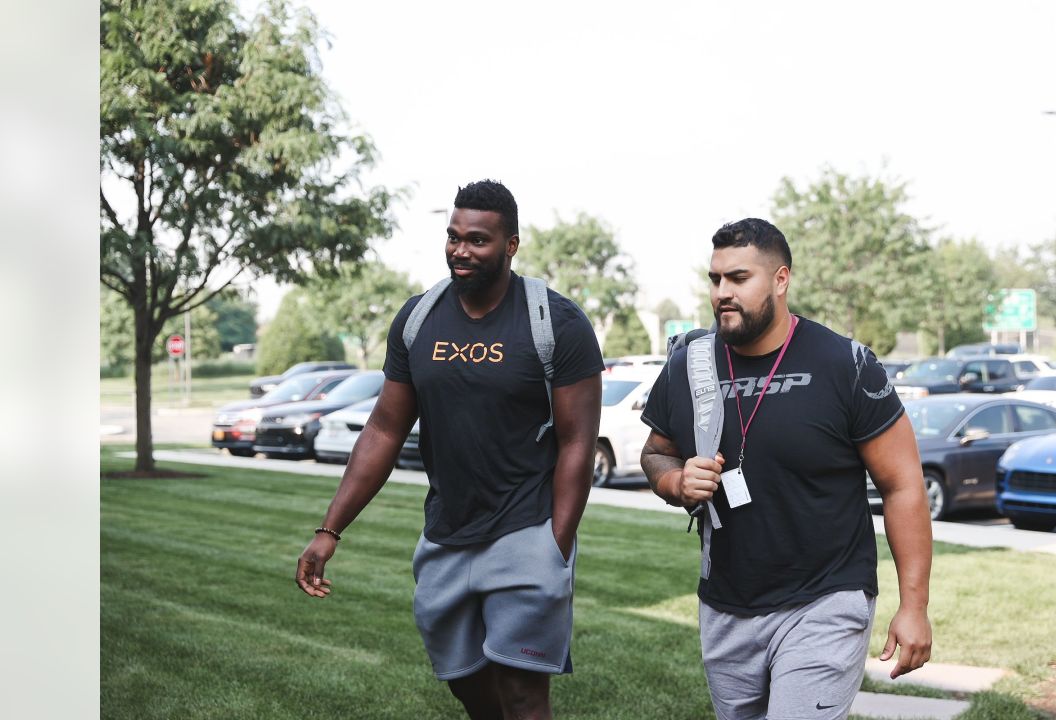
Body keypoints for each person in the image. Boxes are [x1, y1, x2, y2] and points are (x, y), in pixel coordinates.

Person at [294, 180, 604, 720]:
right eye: (454, 237)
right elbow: (385, 430)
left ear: (510, 245)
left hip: (526, 530)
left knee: (523, 691)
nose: (461, 250)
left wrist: (556, 540)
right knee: (464, 682)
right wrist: (329, 529)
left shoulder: (556, 322)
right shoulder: (419, 319)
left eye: (478, 240)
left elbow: (577, 440)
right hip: (446, 532)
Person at [639, 218, 933, 720]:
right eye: (715, 280)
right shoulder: (691, 364)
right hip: (726, 603)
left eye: (739, 278)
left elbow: (902, 484)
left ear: (781, 279)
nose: (723, 293)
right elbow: (655, 452)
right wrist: (675, 481)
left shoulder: (845, 364)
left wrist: (914, 606)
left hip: (825, 598)